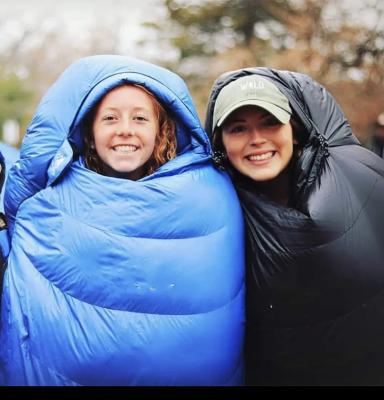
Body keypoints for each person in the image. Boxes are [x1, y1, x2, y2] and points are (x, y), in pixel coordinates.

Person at [0, 55, 245, 386]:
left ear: (163, 129)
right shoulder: (47, 201)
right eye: (110, 118)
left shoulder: (211, 196)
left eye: (141, 118)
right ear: (89, 129)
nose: (125, 130)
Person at [205, 69, 384, 385]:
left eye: (270, 122)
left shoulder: (357, 180)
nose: (257, 139)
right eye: (238, 128)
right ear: (221, 142)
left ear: (294, 129)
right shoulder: (212, 214)